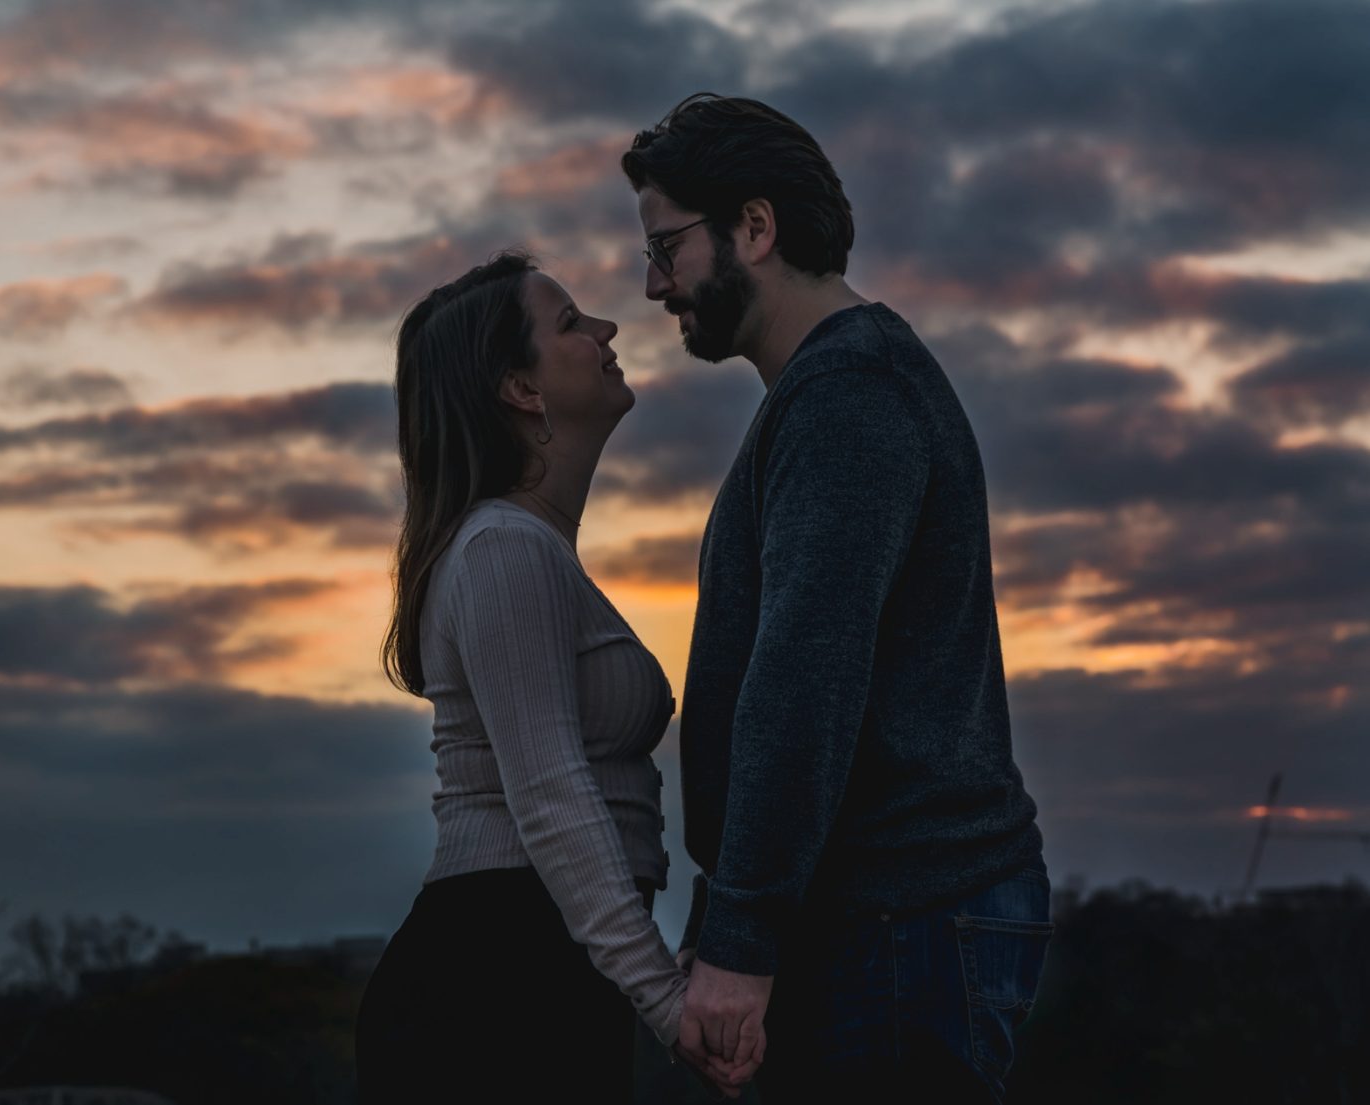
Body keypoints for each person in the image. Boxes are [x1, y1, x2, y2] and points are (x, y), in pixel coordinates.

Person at [621, 94, 1053, 1102]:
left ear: (755, 228)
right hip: (881, 918)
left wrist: (738, 939)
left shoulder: (850, 397)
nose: (651, 284)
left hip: (902, 921)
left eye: (667, 246)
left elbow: (803, 680)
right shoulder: (831, 393)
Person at [357, 250, 740, 1103]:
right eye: (570, 322)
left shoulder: (531, 552)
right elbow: (552, 795)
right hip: (495, 977)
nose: (605, 329)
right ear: (520, 390)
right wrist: (666, 1000)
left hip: (542, 960)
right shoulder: (503, 549)